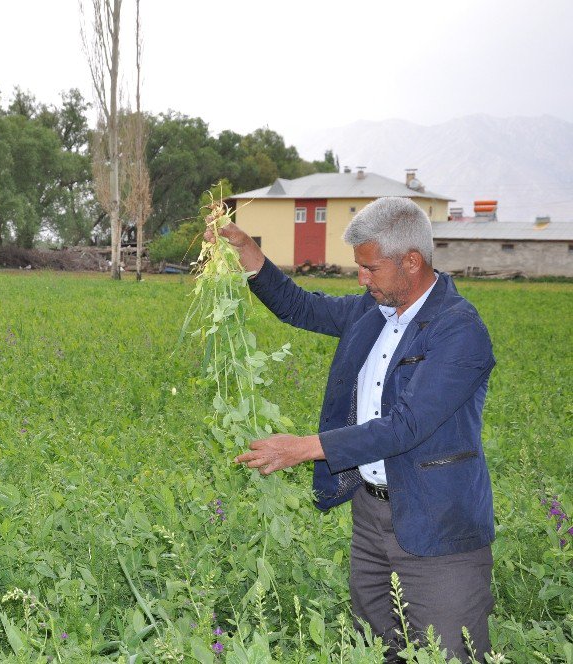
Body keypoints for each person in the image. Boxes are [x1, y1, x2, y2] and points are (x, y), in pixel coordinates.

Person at [208, 197, 495, 662]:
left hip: (438, 524)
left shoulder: (458, 330)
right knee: (380, 647)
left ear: (412, 262)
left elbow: (406, 426)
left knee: (449, 653)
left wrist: (306, 448)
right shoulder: (374, 310)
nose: (361, 279)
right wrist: (250, 256)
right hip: (372, 518)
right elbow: (301, 308)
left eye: (370, 268)